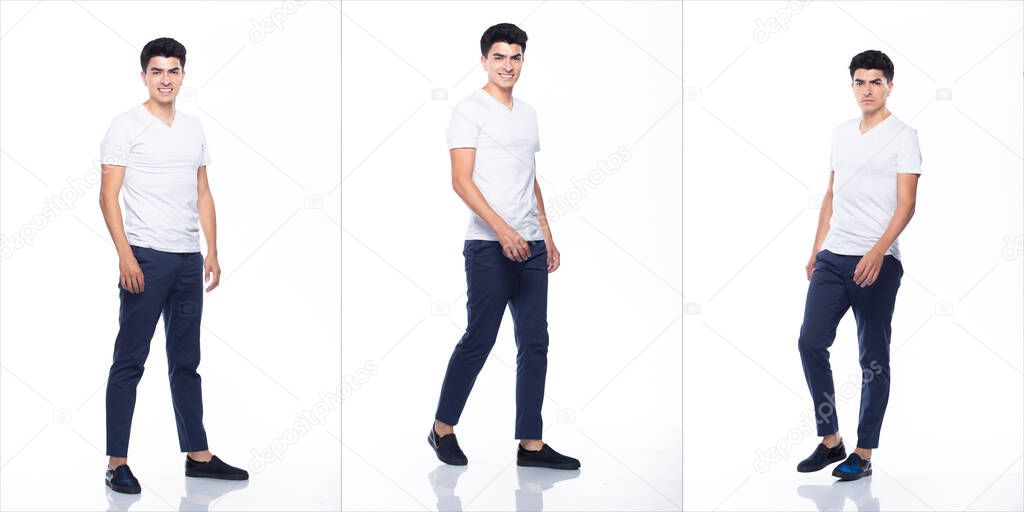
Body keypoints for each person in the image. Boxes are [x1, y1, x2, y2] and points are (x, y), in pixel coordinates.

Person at [99, 37, 248, 495]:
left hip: (187, 261)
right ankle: (116, 462)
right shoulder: (125, 125)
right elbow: (108, 195)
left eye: (174, 71)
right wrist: (125, 254)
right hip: (145, 258)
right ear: (143, 75)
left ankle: (197, 456)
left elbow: (203, 191)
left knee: (186, 360)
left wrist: (213, 250)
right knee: (130, 360)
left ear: (183, 75)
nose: (166, 79)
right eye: (158, 71)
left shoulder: (194, 128)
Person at [428, 23, 580, 471]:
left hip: (531, 245)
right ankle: (442, 429)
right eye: (499, 57)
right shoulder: (468, 111)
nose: (507, 65)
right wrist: (503, 231)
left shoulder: (528, 113)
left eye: (515, 58)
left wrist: (545, 232)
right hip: (488, 247)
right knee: (480, 337)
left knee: (535, 342)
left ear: (522, 61)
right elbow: (461, 180)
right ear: (484, 61)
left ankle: (530, 444)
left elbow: (528, 176)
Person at [795, 50, 922, 481]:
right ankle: (831, 441)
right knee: (811, 342)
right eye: (859, 82)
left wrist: (878, 251)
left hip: (879, 261)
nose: (867, 90)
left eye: (875, 82)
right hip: (834, 256)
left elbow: (907, 206)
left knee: (872, 360)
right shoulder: (840, 133)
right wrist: (816, 250)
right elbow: (831, 196)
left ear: (889, 86)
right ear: (851, 85)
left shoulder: (904, 136)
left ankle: (864, 454)